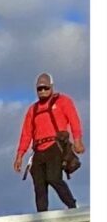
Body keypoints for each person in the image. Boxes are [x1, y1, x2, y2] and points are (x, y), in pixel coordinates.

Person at [14, 72, 84, 212]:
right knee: (39, 186)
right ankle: (42, 218)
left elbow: (74, 120)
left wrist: (77, 141)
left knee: (53, 178)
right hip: (38, 150)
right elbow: (26, 134)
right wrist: (19, 155)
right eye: (40, 89)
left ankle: (73, 207)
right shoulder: (32, 110)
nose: (43, 91)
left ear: (51, 87)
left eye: (46, 88)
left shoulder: (63, 101)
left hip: (56, 146)